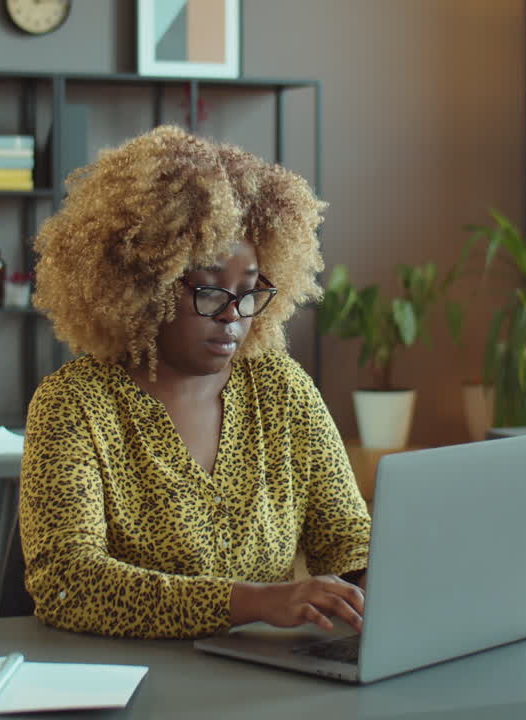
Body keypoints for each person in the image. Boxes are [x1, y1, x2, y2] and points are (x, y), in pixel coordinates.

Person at [19, 126, 371, 639]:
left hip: (265, 682)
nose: (233, 315)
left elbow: (346, 541)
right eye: (209, 289)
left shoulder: (280, 387)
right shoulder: (75, 404)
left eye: (249, 292)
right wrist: (253, 602)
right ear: (143, 281)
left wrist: (371, 584)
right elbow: (68, 583)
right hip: (129, 686)